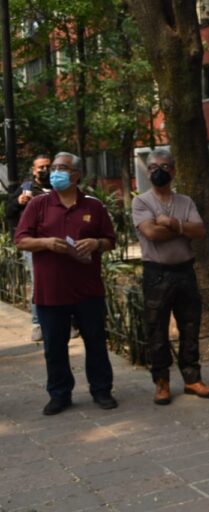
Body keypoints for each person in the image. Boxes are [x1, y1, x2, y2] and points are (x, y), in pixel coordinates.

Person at [14, 152, 118, 415]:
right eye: (55, 167)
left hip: (87, 289)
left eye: (62, 167)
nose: (56, 171)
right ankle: (59, 394)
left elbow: (110, 240)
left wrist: (96, 243)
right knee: (54, 346)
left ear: (76, 174)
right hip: (52, 289)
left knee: (95, 342)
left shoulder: (93, 206)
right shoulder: (38, 205)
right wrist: (45, 243)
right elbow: (21, 239)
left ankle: (101, 389)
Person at [132, 149, 209, 405]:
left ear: (174, 171)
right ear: (148, 171)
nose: (159, 170)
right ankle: (162, 382)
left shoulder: (185, 201)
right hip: (156, 273)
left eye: (165, 166)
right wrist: (182, 229)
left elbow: (200, 231)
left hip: (185, 271)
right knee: (156, 328)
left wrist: (170, 222)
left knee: (190, 326)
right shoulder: (141, 202)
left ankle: (192, 379)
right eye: (154, 166)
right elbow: (151, 233)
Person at [5, 155, 51, 341]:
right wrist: (18, 202)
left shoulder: (59, 188)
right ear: (33, 170)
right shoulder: (26, 188)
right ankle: (38, 323)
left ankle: (67, 321)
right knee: (38, 281)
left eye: (48, 166)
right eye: (41, 167)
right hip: (33, 242)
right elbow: (8, 211)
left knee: (61, 280)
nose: (45, 170)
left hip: (57, 240)